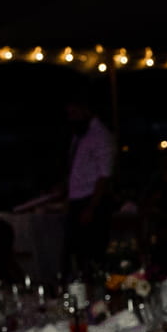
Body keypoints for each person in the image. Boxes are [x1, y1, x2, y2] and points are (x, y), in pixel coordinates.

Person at [64, 98, 116, 262]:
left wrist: (91, 208)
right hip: (77, 199)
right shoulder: (80, 136)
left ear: (85, 111)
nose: (71, 118)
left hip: (92, 200)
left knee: (91, 252)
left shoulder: (101, 136)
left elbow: (105, 175)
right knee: (75, 253)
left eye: (74, 113)